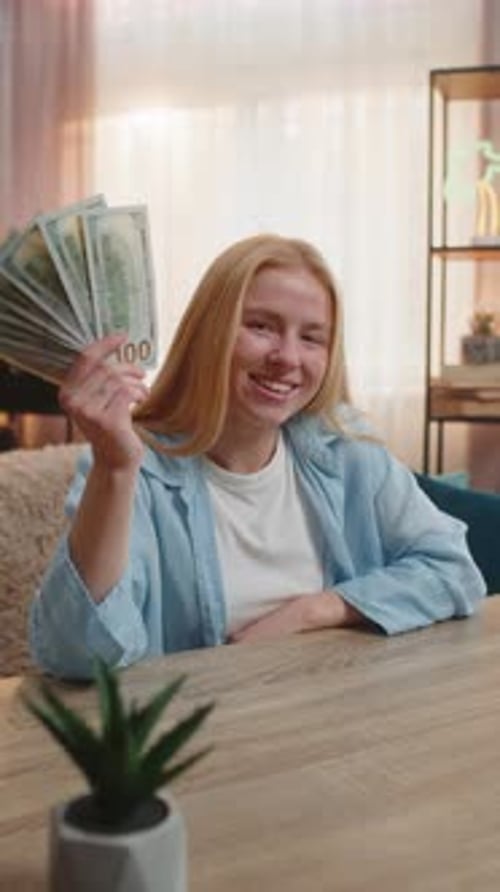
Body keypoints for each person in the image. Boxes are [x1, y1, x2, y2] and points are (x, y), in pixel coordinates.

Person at [29, 234, 486, 679]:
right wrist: (114, 469)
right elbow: (77, 656)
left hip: (336, 710)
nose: (288, 357)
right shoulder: (131, 467)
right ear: (207, 334)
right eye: (261, 326)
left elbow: (453, 569)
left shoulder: (346, 448)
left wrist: (314, 611)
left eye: (312, 338)